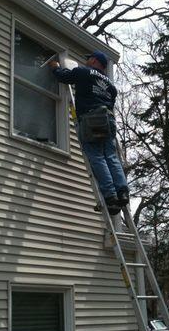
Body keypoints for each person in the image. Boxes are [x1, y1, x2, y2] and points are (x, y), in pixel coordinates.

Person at [47, 51, 129, 215]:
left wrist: (55, 68)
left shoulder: (83, 72)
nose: (88, 60)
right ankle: (122, 191)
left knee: (97, 156)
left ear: (95, 60)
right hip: (109, 119)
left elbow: (64, 77)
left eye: (89, 58)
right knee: (111, 156)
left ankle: (111, 196)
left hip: (92, 119)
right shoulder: (111, 87)